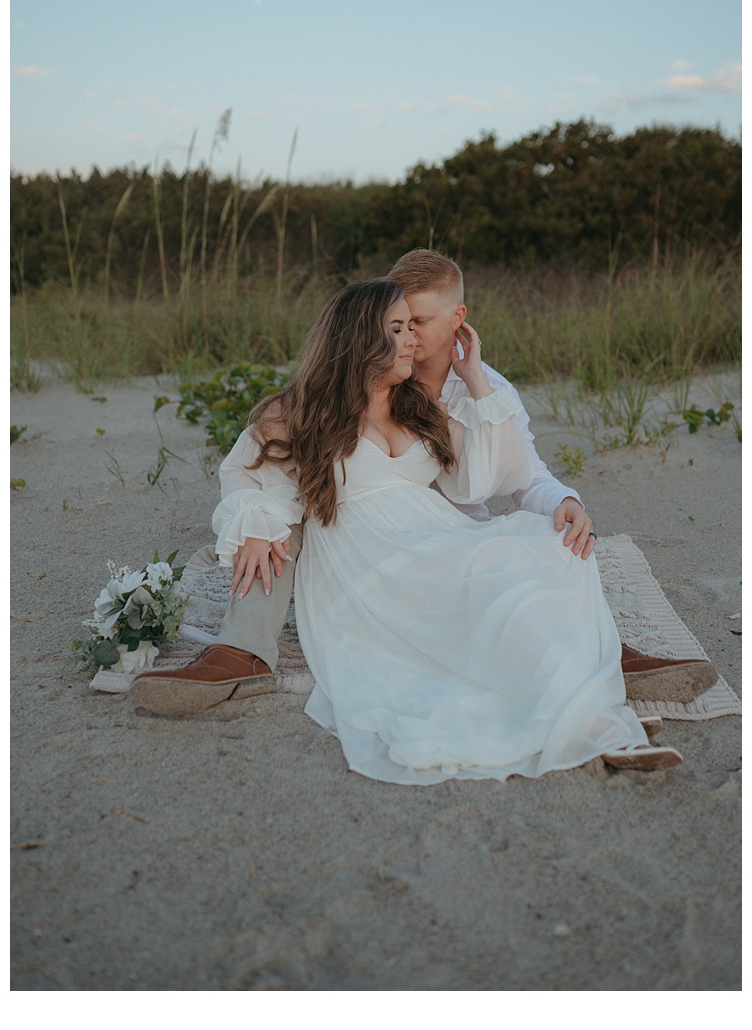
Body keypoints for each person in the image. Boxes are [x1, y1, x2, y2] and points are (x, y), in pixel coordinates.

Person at [132, 278, 685, 781]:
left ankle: (598, 719)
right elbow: (251, 478)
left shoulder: (418, 403)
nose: (410, 342)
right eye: (396, 330)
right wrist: (255, 523)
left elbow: (479, 479)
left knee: (544, 548)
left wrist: (474, 380)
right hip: (363, 557)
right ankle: (240, 652)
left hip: (434, 536)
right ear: (359, 339)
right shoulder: (297, 411)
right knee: (440, 639)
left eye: (412, 328)